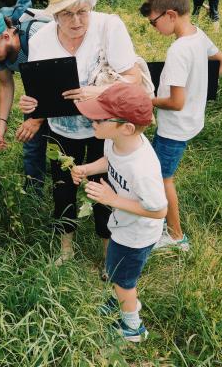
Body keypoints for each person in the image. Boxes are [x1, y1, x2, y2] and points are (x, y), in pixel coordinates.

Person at [19, 0, 142, 268]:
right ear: (54, 15)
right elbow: (41, 91)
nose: (76, 21)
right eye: (66, 14)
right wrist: (32, 106)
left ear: (92, 6)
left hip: (106, 127)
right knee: (63, 186)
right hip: (62, 128)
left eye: (82, 12)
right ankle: (66, 250)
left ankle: (107, 253)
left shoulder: (109, 26)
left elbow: (134, 78)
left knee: (104, 185)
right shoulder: (42, 40)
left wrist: (96, 91)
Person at [71, 83, 168, 343]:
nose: (91, 119)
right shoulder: (114, 141)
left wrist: (113, 199)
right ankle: (119, 302)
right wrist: (87, 169)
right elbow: (109, 161)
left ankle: (132, 328)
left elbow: (159, 210)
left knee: (124, 280)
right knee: (117, 271)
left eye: (100, 117)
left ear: (126, 127)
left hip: (136, 234)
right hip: (123, 224)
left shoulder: (143, 168)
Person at [140, 0, 222, 251]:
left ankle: (176, 236)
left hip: (174, 127)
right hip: (192, 122)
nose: (154, 28)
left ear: (170, 15)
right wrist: (198, 92)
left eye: (153, 22)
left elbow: (176, 102)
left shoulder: (178, 50)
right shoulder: (198, 35)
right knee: (158, 173)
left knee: (162, 178)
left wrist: (147, 99)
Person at [0, 11, 50, 193]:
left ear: (6, 36)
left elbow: (56, 81)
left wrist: (37, 119)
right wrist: (1, 124)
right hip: (35, 91)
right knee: (31, 145)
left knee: (59, 141)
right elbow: (6, 84)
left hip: (59, 86)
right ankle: (33, 194)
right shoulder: (0, 54)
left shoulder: (37, 35)